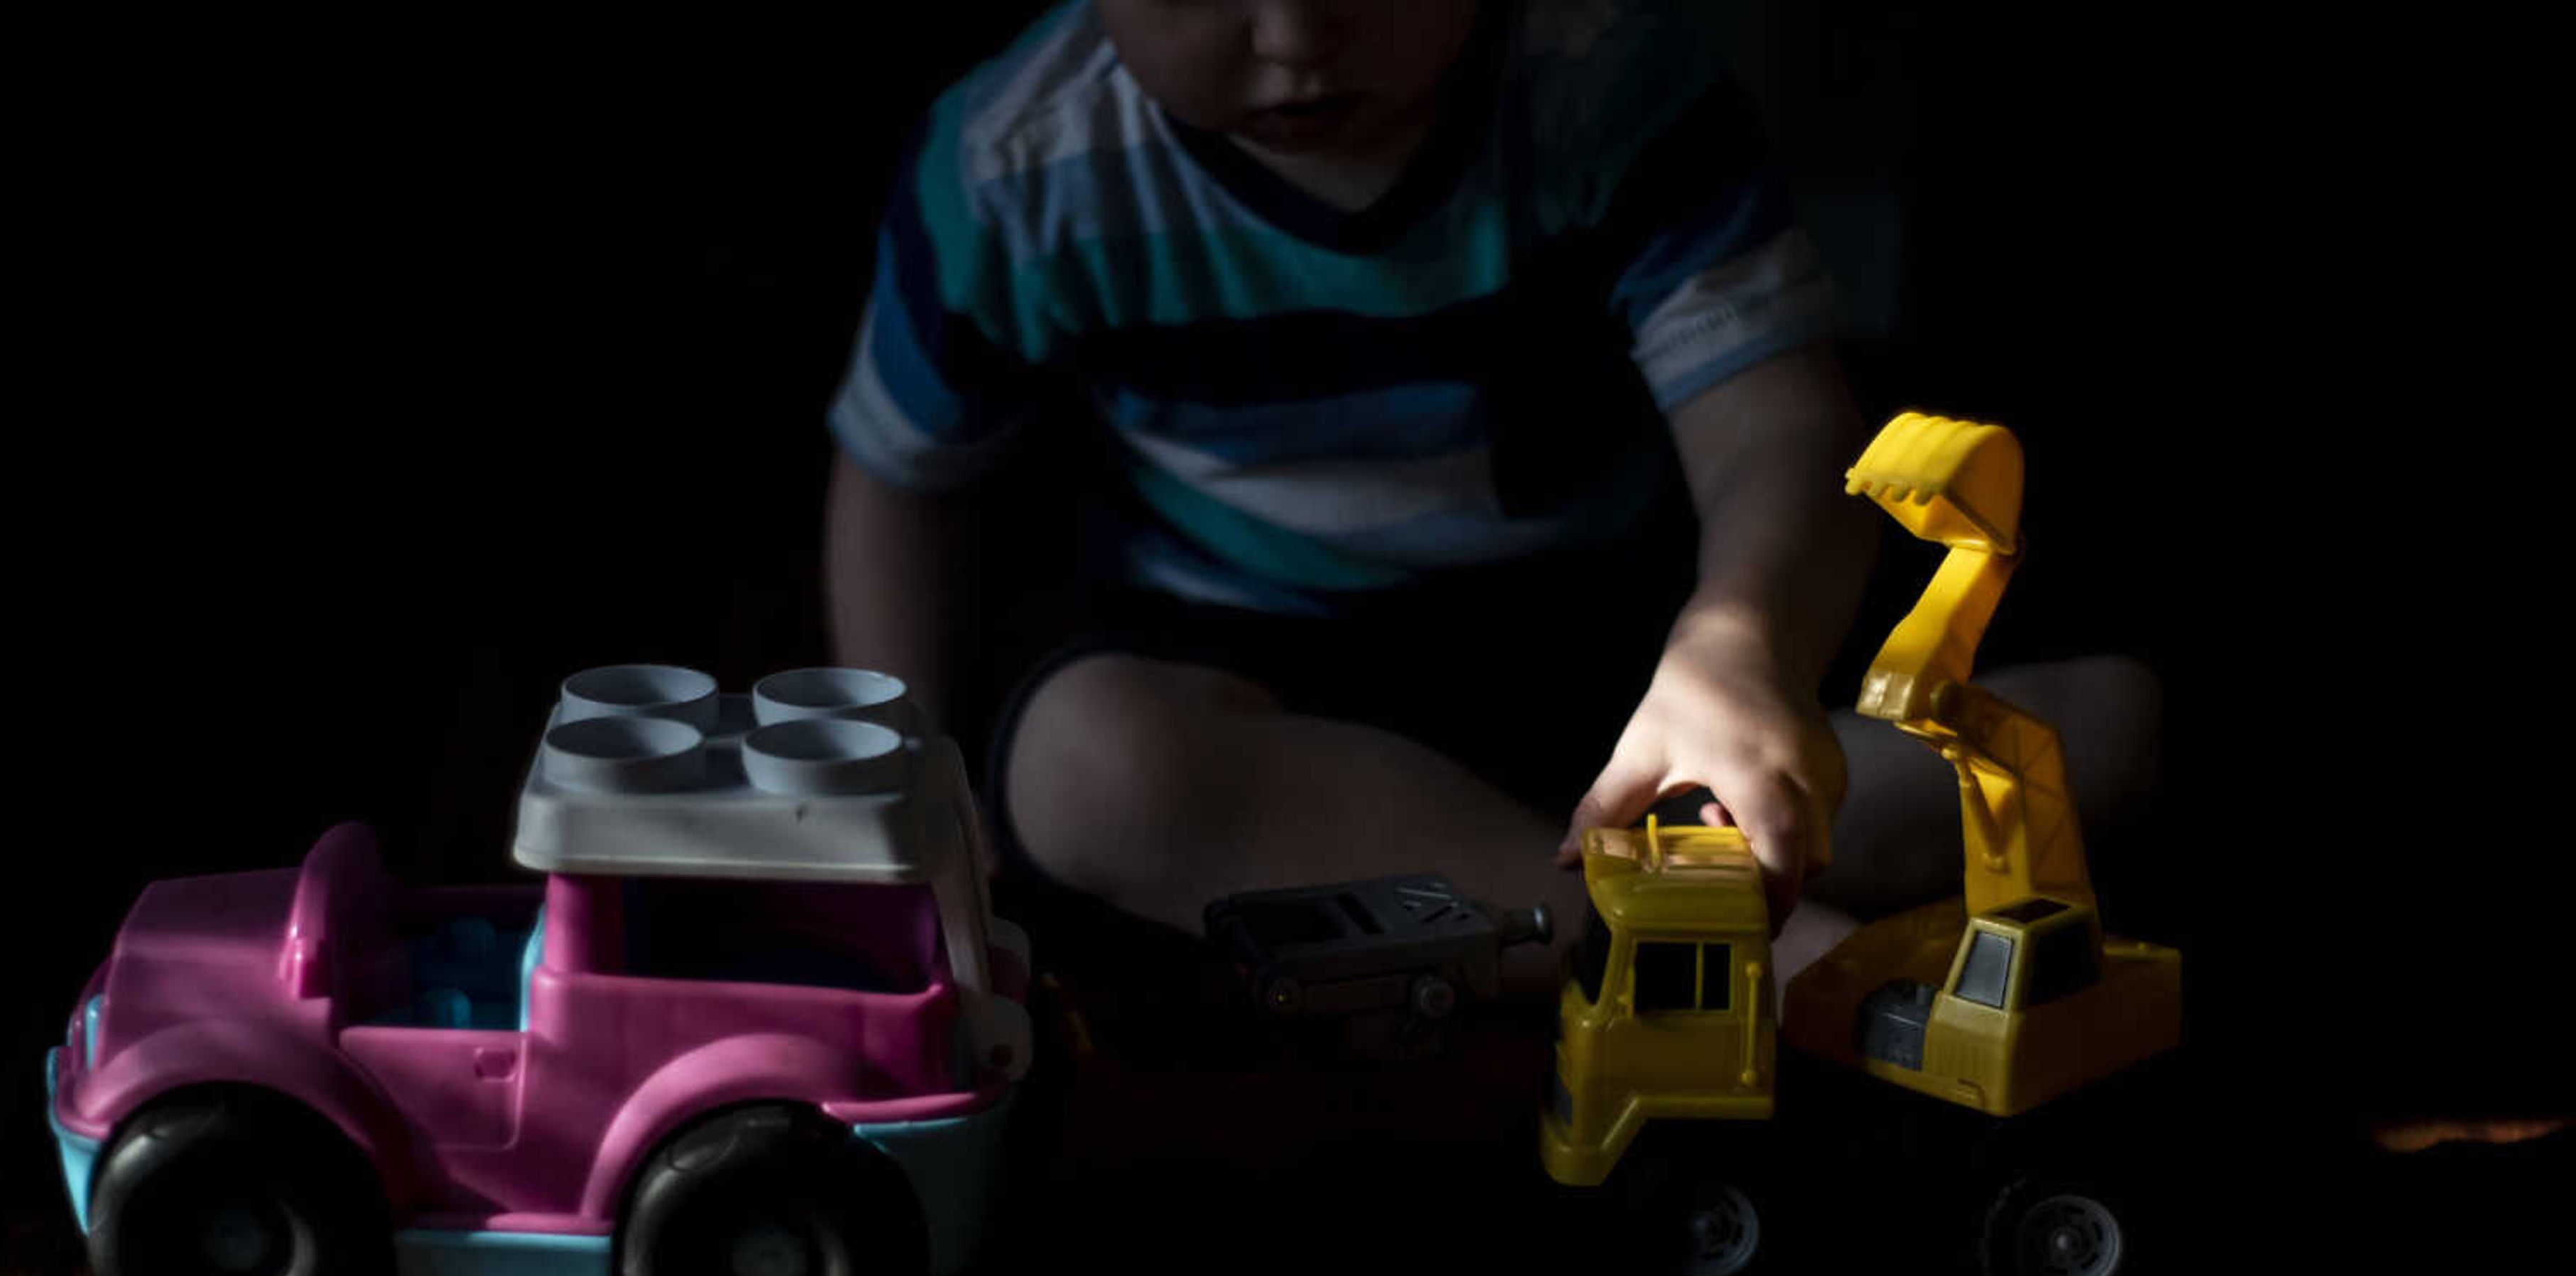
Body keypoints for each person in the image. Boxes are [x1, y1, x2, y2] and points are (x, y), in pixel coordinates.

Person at [822, 0, 2160, 994]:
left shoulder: (1612, 84)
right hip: (1261, 691)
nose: (1296, 35)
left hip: (1616, 690)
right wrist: (910, 784)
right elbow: (902, 483)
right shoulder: (1014, 168)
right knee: (1085, 771)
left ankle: (1582, 896)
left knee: (2104, 725)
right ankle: (1768, 967)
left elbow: (1778, 425)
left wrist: (1736, 647)